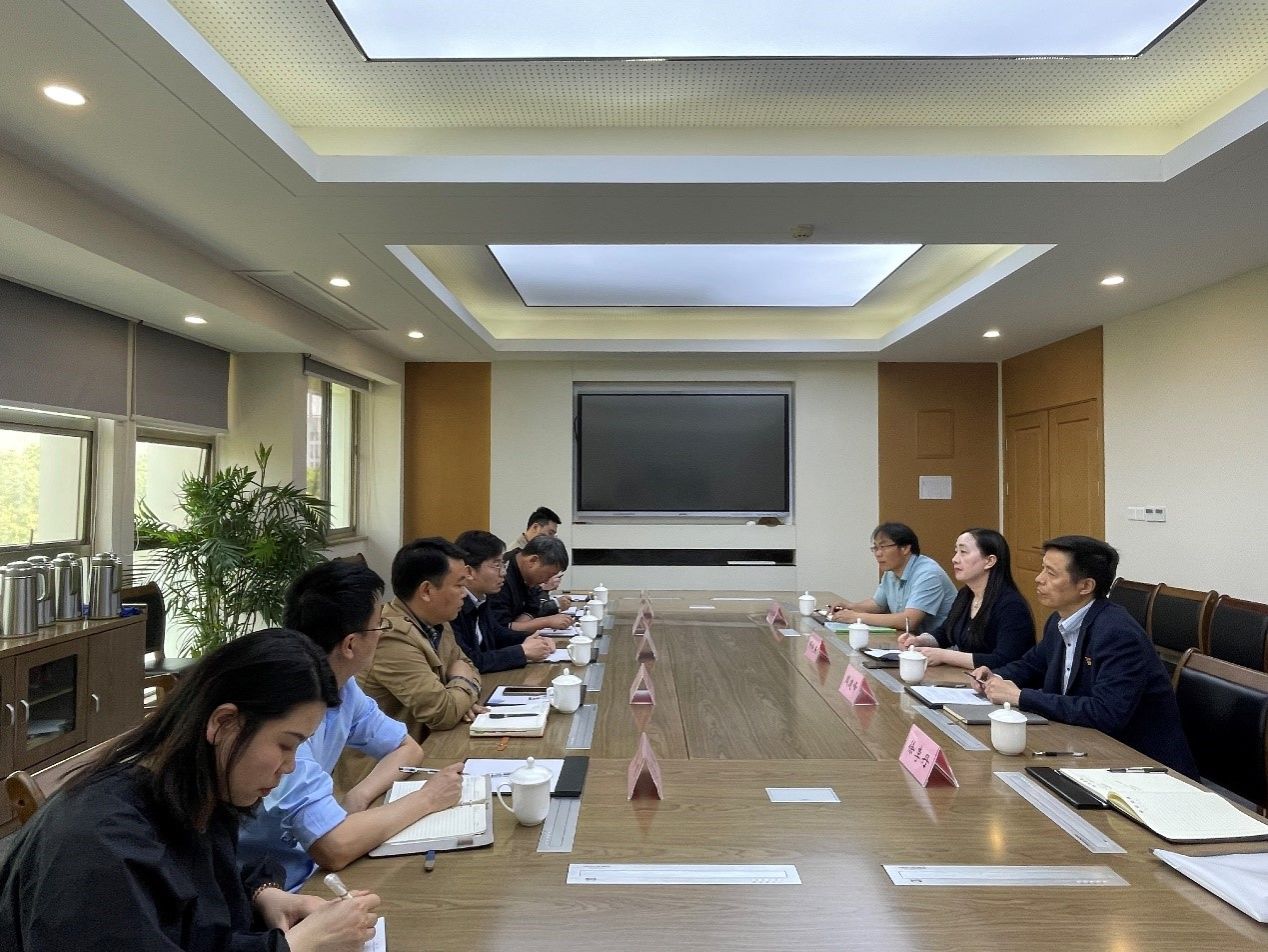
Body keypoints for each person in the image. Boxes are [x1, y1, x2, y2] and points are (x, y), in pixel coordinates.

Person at [0, 629, 380, 952]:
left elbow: (200, 904)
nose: (290, 766)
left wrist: (263, 894)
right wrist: (300, 944)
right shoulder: (99, 842)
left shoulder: (193, 790)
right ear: (224, 723)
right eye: (285, 744)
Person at [238, 561, 464, 890]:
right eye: (379, 625)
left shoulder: (343, 687)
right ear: (350, 644)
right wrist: (428, 798)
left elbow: (407, 748)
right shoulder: (285, 720)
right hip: (277, 889)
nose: (382, 633)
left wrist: (359, 795)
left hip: (307, 871)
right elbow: (335, 847)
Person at [970, 535, 1199, 778]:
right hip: (1083, 748)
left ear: (1086, 586)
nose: (1039, 579)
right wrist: (995, 676)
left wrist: (1020, 696)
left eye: (1051, 573)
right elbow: (1032, 664)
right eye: (1042, 568)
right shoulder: (1059, 620)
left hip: (1143, 767)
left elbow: (1106, 713)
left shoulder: (1117, 633)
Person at [357, 537, 485, 740]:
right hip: (392, 756)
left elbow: (470, 667)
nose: (464, 593)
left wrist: (460, 698)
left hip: (430, 743)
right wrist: (462, 682)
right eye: (459, 585)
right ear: (426, 591)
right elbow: (442, 713)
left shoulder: (438, 621)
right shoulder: (390, 637)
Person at [897, 528, 1034, 670]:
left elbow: (1005, 660)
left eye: (963, 552)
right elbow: (946, 632)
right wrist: (920, 641)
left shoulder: (1011, 606)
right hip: (966, 677)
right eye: (956, 551)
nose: (955, 559)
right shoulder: (966, 594)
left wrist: (944, 656)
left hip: (999, 680)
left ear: (989, 561)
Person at [453, 529, 556, 672]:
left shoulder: (481, 599)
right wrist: (522, 651)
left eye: (503, 564)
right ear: (469, 572)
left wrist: (533, 640)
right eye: (496, 565)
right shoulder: (454, 606)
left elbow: (498, 634)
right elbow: (470, 661)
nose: (503, 572)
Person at [828, 522, 957, 632]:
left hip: (940, 646)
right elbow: (878, 604)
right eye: (875, 548)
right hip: (912, 641)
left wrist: (857, 617)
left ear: (905, 548)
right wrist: (850, 607)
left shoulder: (928, 574)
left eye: (883, 547)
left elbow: (909, 621)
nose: (878, 554)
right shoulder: (891, 571)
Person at [488, 535, 574, 634]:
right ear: (533, 561)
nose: (546, 581)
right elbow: (501, 628)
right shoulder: (501, 578)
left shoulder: (528, 576)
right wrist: (546, 622)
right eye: (548, 575)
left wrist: (521, 624)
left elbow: (533, 608)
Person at [509, 507, 571, 611]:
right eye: (550, 533)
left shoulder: (532, 551)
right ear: (535, 527)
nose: (551, 539)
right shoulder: (515, 555)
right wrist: (544, 587)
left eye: (554, 535)